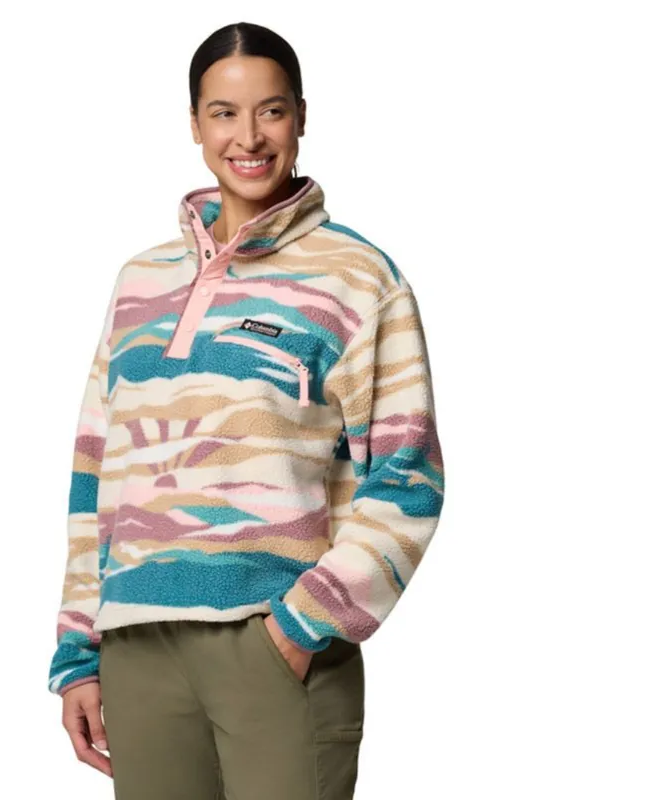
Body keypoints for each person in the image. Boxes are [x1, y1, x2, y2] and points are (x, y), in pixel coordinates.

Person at [47, 20, 445, 800]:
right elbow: (95, 478)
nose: (249, 136)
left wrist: (300, 628)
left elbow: (408, 478)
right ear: (195, 124)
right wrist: (79, 652)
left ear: (301, 117)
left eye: (271, 110)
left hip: (276, 645)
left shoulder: (358, 278)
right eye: (224, 113)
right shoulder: (139, 283)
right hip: (137, 650)